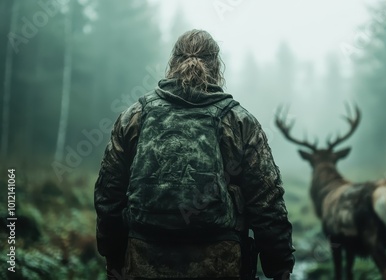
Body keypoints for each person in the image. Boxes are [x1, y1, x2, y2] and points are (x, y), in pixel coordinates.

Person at [94, 29, 295, 280]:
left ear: (172, 63)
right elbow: (267, 201)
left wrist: (113, 256)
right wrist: (280, 266)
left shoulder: (134, 117)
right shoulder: (238, 121)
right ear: (216, 66)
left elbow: (108, 195)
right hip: (220, 262)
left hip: (144, 260)